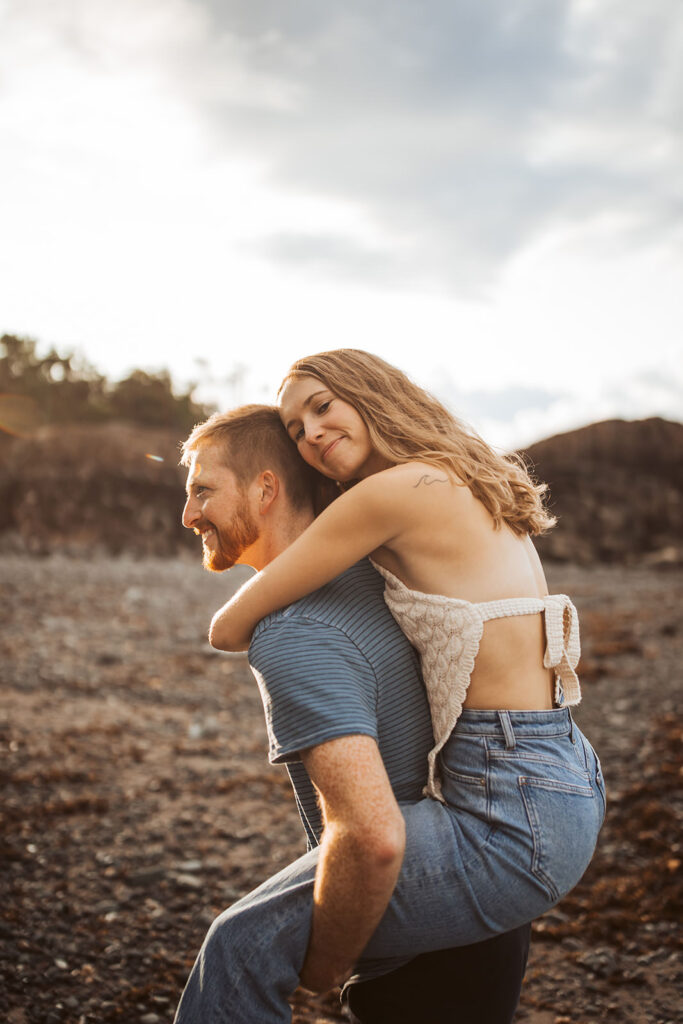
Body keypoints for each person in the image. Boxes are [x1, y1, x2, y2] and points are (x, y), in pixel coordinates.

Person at [208, 352, 605, 989]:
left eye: (322, 406)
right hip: (562, 769)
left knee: (241, 945)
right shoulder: (462, 475)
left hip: (507, 805)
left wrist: (329, 963)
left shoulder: (389, 494)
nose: (309, 432)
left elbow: (227, 628)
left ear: (370, 396)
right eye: (292, 428)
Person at [174, 404, 532, 1024]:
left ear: (265, 489)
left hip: (421, 957)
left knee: (235, 948)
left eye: (203, 490)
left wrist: (324, 965)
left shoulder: (292, 632)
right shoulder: (389, 573)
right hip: (489, 918)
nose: (188, 515)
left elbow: (370, 835)